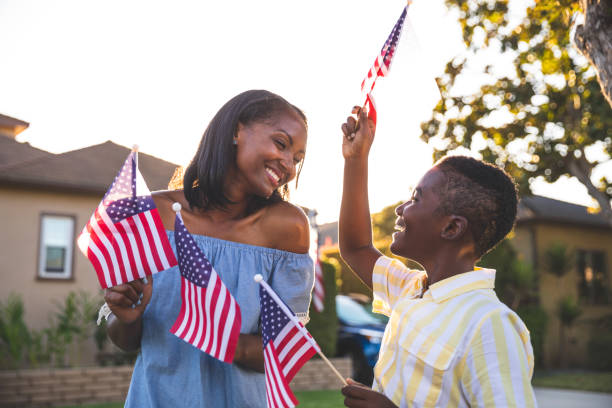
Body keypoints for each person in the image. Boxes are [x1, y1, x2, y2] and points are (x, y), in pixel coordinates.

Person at [102, 90, 314, 407]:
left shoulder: (287, 228)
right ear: (235, 131)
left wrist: (228, 340)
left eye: (297, 159)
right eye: (281, 144)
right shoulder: (151, 214)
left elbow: (284, 353)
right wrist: (126, 317)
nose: (289, 166)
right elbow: (126, 341)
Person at [338, 107, 537, 407]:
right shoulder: (411, 290)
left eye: (416, 198)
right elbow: (355, 248)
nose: (401, 209)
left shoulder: (489, 323)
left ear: (452, 227)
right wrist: (356, 159)